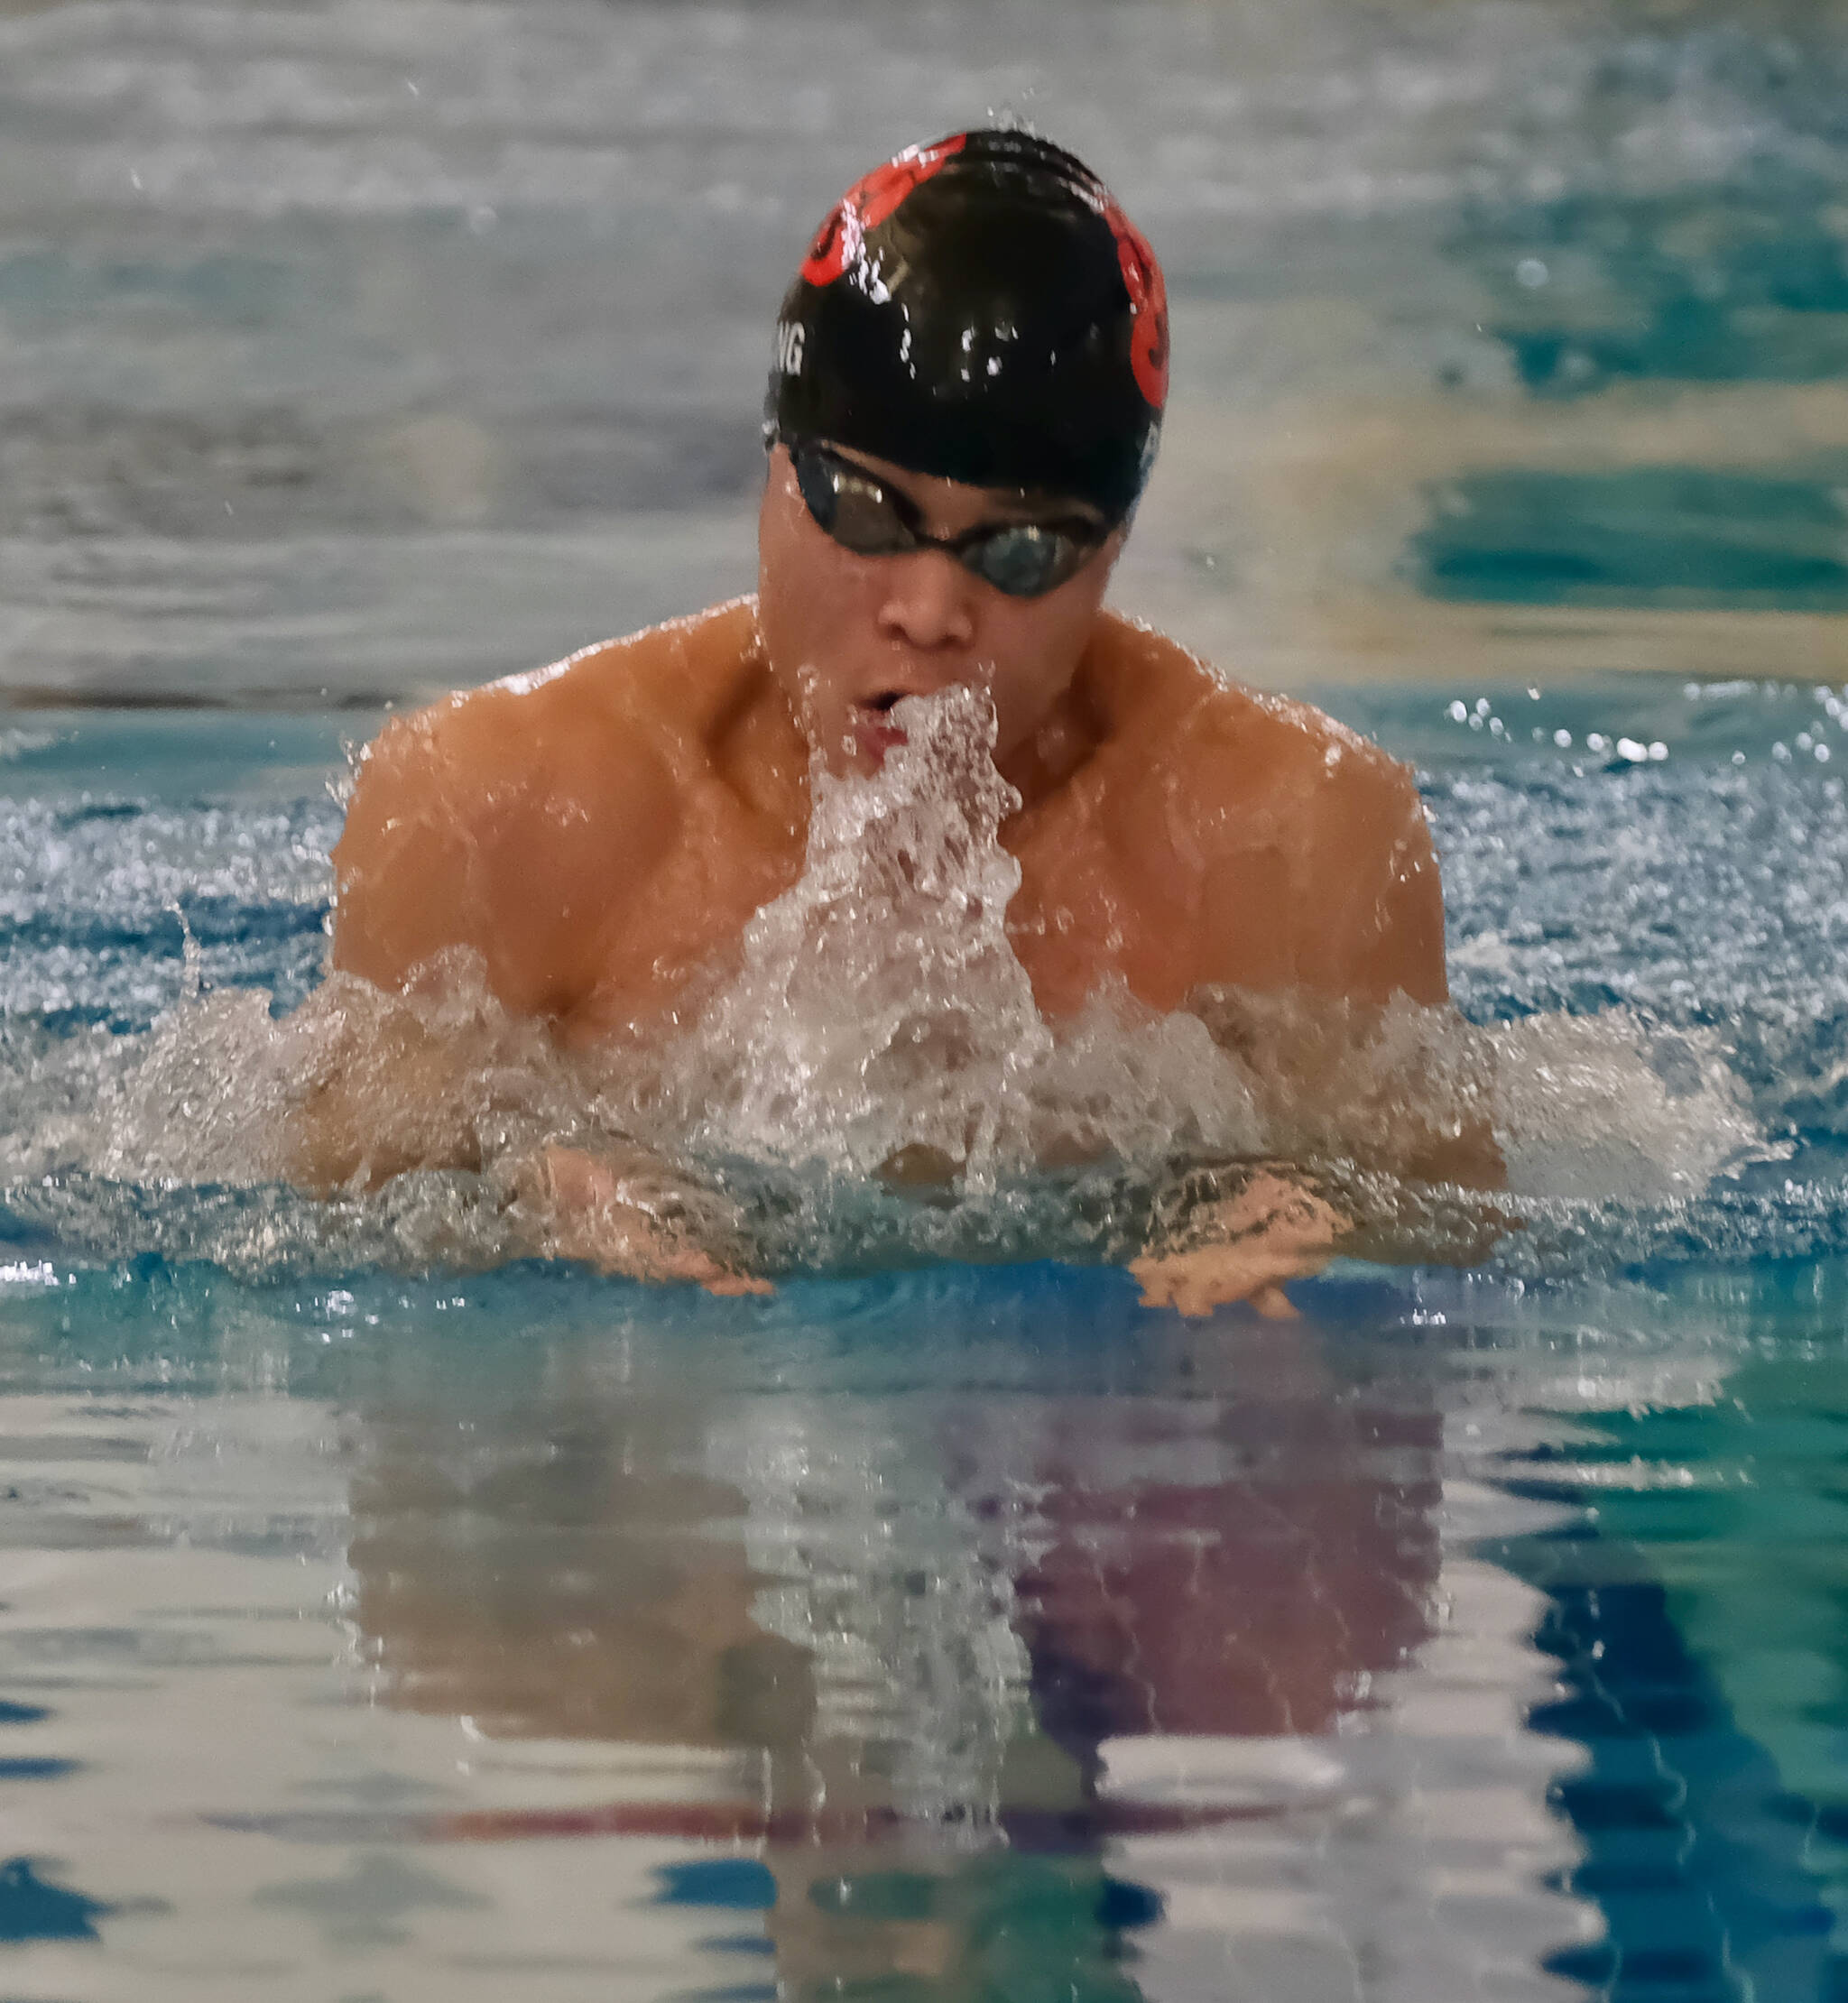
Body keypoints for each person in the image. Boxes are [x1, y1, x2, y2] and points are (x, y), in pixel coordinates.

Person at [292, 128, 1498, 1313]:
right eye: (867, 510)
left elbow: (1459, 1227)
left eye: (1019, 551)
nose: (928, 612)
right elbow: (324, 1233)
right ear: (776, 468)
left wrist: (1323, 1212)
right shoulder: (491, 815)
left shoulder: (1292, 844)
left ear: (1113, 548)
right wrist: (519, 1198)